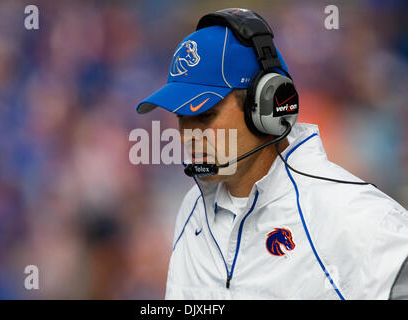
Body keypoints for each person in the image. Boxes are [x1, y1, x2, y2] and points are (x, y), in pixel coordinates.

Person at [136, 8, 408, 299]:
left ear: (267, 107)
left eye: (204, 115)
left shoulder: (357, 218)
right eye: (181, 117)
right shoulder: (193, 207)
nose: (188, 135)